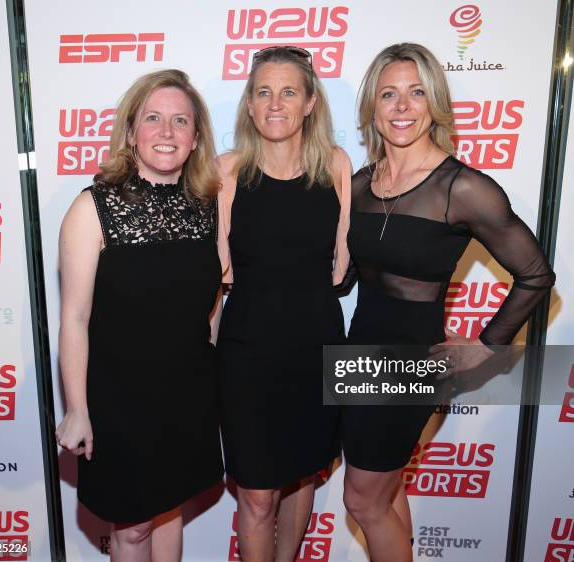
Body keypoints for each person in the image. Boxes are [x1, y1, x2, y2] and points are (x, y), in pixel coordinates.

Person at [341, 43, 555, 562]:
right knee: (386, 489)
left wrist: (488, 345)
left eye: (416, 93)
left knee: (362, 500)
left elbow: (535, 275)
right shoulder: (361, 184)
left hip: (412, 359)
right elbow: (342, 277)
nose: (402, 107)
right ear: (372, 104)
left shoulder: (463, 188)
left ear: (434, 102)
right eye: (389, 94)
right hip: (358, 351)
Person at [55, 69, 224, 562]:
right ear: (131, 133)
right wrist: (78, 409)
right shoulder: (93, 208)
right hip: (119, 402)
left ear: (195, 139)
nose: (166, 132)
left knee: (169, 511)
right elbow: (74, 319)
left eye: (180, 121)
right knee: (131, 531)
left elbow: (211, 300)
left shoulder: (208, 206)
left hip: (187, 396)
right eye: (153, 119)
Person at [217, 46, 351, 562]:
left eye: (289, 91)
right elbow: (215, 275)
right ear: (249, 105)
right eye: (264, 92)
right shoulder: (225, 172)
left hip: (317, 349)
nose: (276, 104)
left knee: (303, 478)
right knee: (255, 491)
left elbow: (342, 265)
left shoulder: (336, 165)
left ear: (311, 102)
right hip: (247, 356)